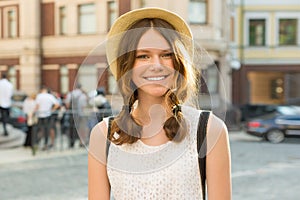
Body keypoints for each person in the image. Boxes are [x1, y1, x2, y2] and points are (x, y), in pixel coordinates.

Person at [88, 7, 231, 200]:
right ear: (127, 65)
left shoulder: (209, 129)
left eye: (166, 55)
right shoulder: (103, 134)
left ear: (178, 62)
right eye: (143, 56)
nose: (156, 65)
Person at [35, 85, 60, 150]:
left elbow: (37, 106)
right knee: (46, 130)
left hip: (40, 115)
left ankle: (37, 143)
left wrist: (35, 112)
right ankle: (46, 144)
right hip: (47, 114)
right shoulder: (50, 96)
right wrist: (51, 110)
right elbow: (57, 104)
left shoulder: (39, 96)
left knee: (40, 129)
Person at [65, 83, 88, 148]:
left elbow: (67, 104)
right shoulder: (83, 95)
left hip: (72, 114)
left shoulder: (70, 94)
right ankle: (82, 142)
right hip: (81, 114)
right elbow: (84, 106)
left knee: (71, 128)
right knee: (82, 128)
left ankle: (71, 143)